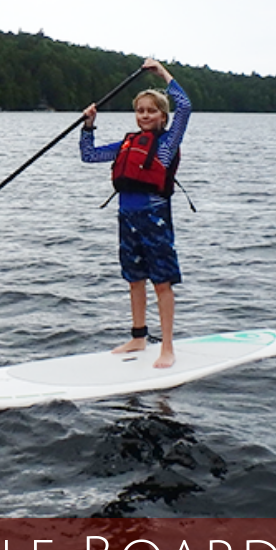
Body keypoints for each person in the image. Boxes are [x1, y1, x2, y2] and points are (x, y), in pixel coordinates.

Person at [80, 57, 191, 369]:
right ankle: (139, 336)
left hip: (154, 219)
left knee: (162, 282)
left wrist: (161, 73)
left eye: (151, 110)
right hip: (127, 219)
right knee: (134, 279)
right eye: (140, 110)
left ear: (162, 116)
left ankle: (167, 347)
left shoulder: (168, 142)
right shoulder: (127, 143)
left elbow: (185, 107)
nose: (144, 115)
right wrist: (88, 126)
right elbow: (89, 156)